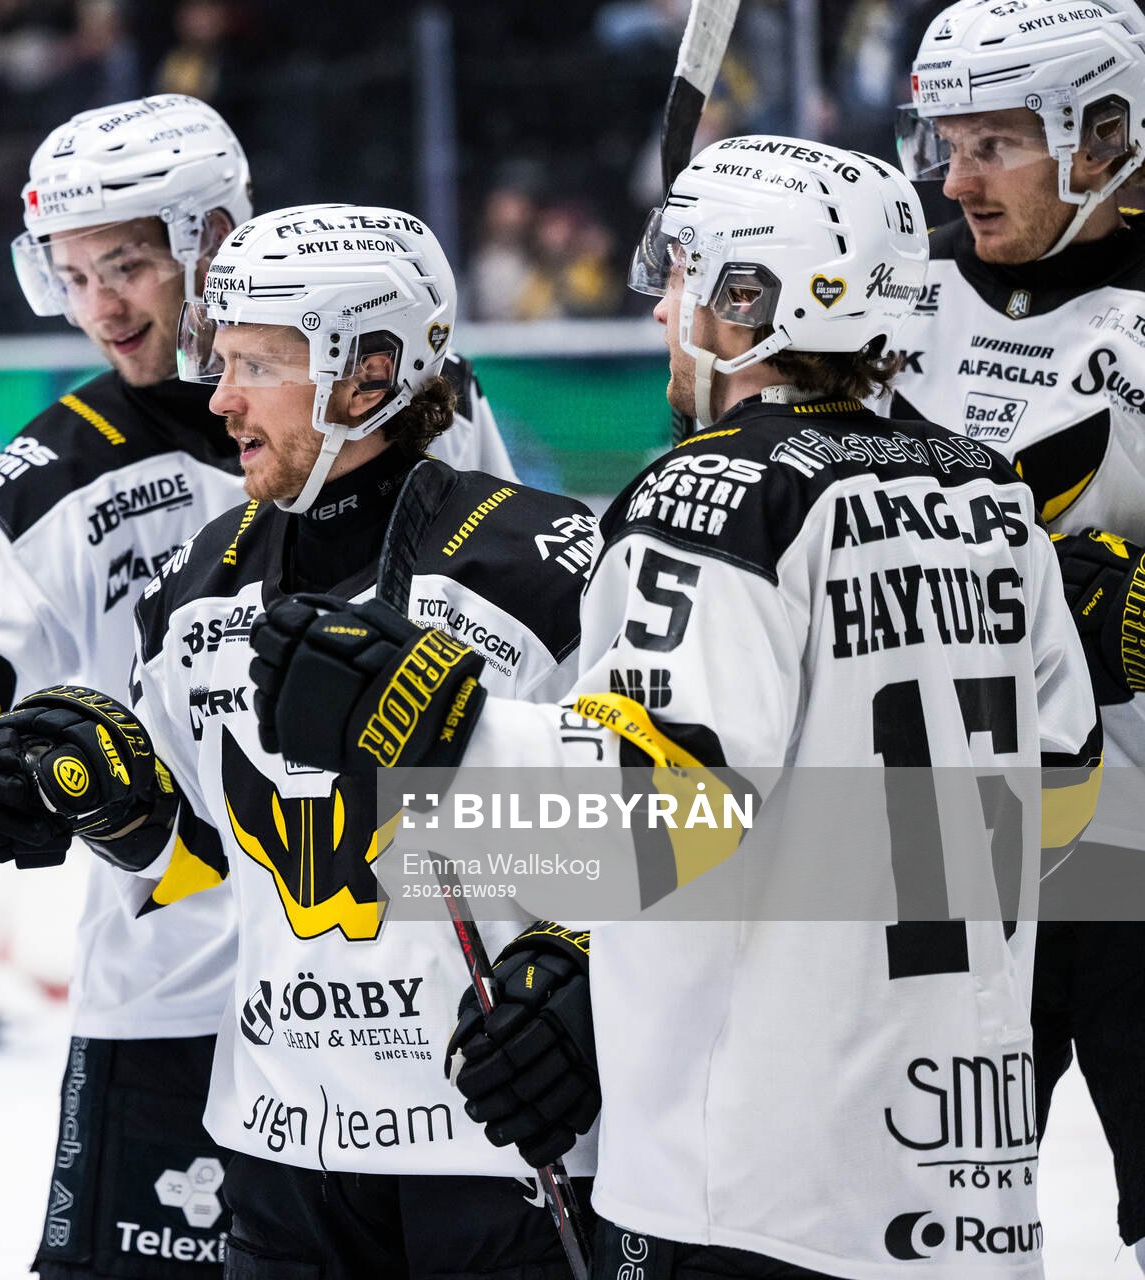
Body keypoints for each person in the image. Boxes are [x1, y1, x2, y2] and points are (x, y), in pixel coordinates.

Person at [261, 138, 1102, 1276]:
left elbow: (647, 825)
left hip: (753, 1183)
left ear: (759, 299)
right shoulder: (987, 493)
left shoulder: (717, 496)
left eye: (688, 275)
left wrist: (436, 733)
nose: (663, 305)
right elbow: (1061, 801)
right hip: (966, 1168)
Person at [0, 94, 518, 1278]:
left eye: (126, 262)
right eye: (69, 275)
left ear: (217, 233)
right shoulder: (59, 468)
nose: (101, 306)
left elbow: (516, 640)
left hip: (415, 978)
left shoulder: (410, 392)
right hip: (181, 983)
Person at [0, 204, 598, 1277]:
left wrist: (580, 973)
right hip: (279, 1150)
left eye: (256, 362)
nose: (220, 399)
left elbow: (683, 823)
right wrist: (106, 799)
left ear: (369, 373)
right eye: (222, 359)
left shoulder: (544, 566)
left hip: (495, 1157)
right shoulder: (205, 577)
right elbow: (198, 853)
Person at [891, 3, 1145, 1264]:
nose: (957, 176)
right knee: (927, 1219)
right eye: (948, 139)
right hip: (944, 851)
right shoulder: (892, 291)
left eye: (998, 142)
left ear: (1105, 139)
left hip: (1137, 841)